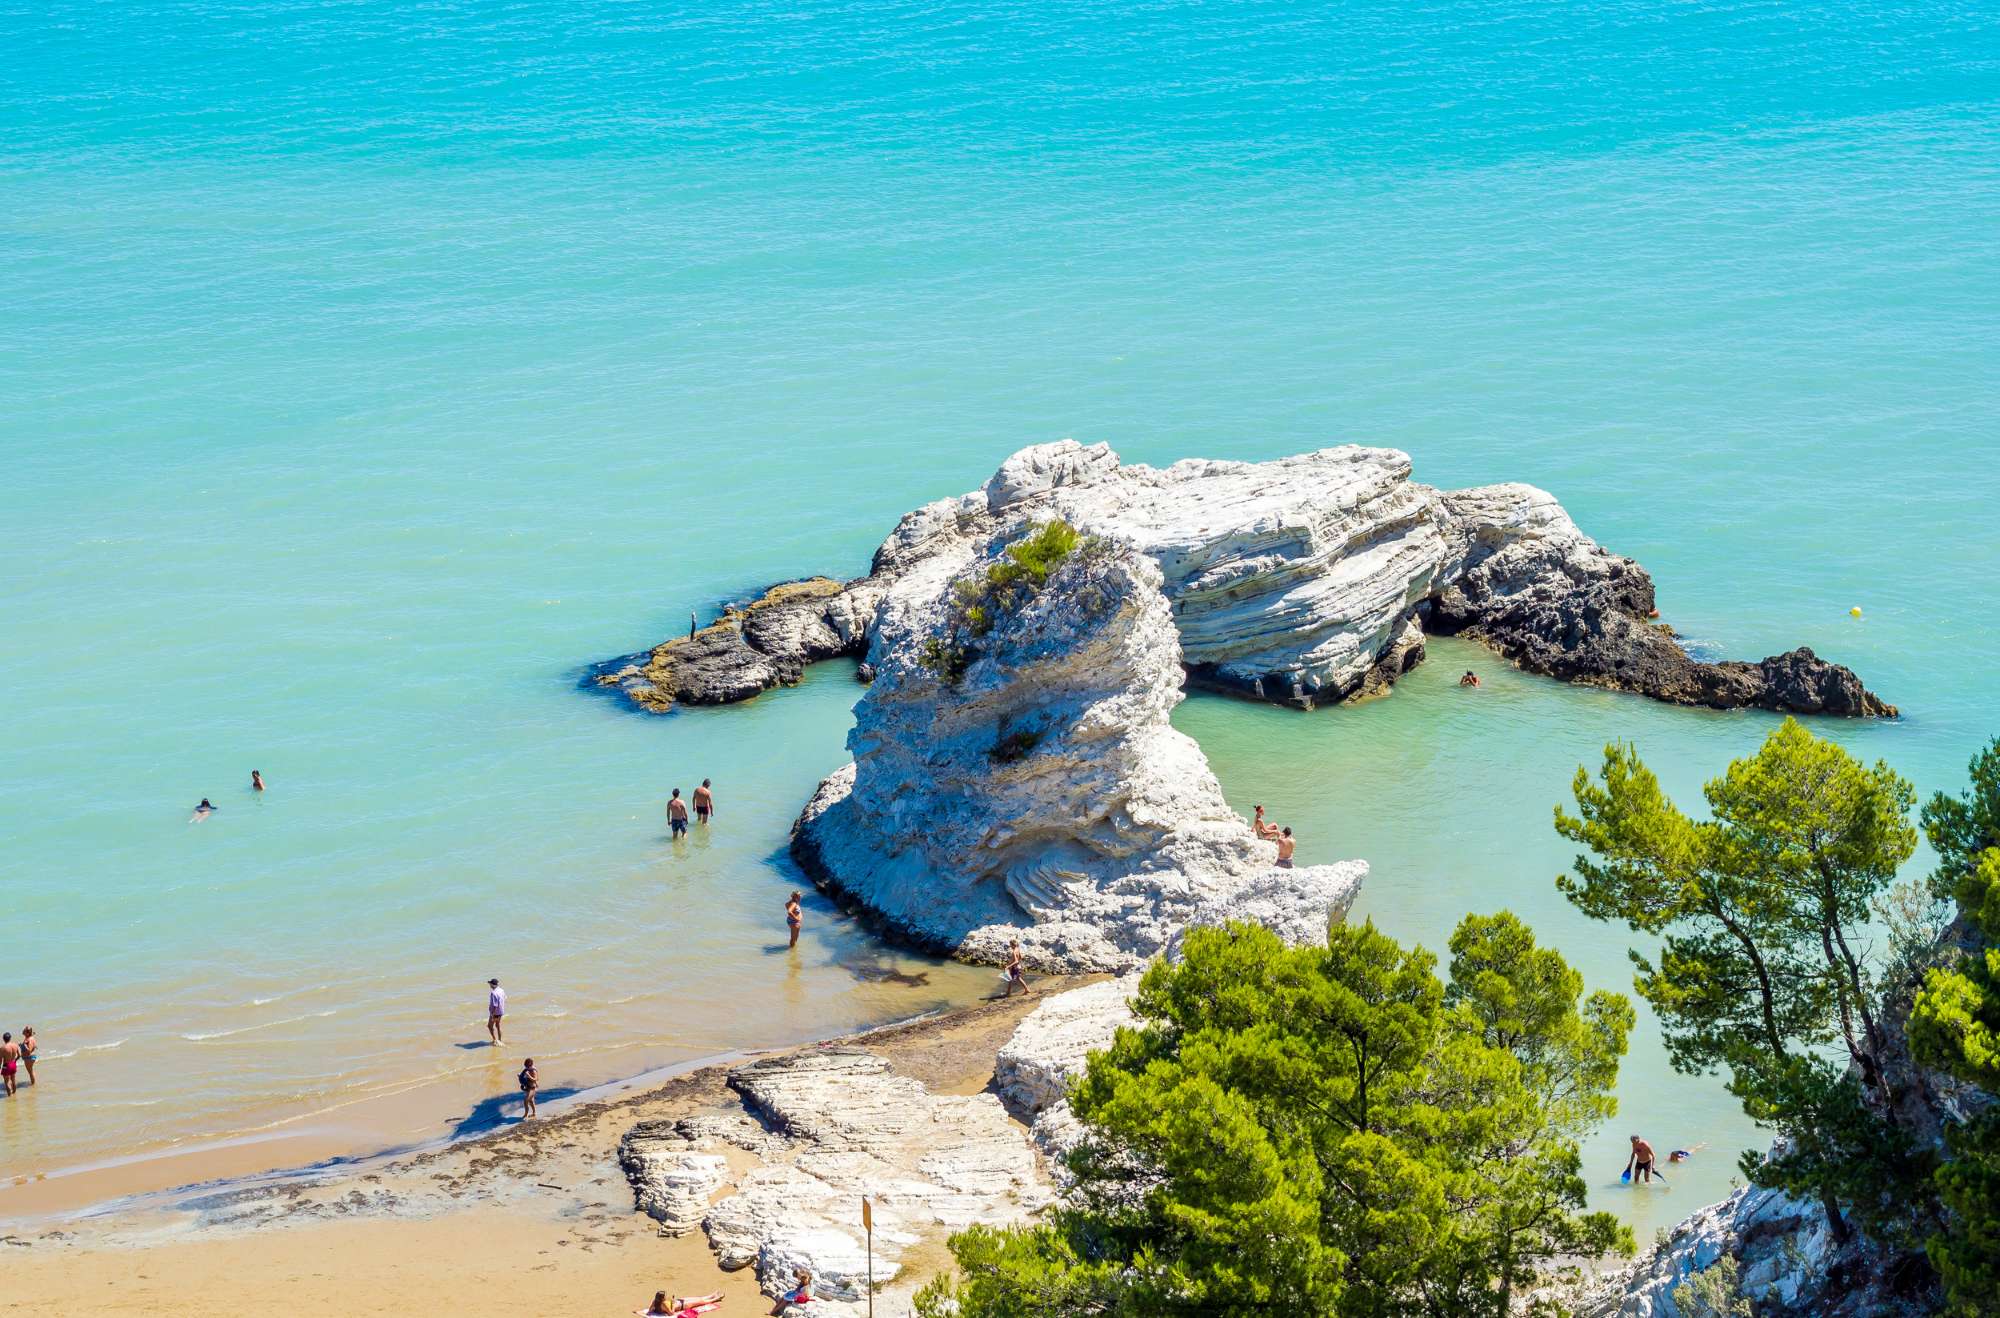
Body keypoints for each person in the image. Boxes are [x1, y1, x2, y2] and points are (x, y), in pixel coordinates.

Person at [487, 978, 506, 1044]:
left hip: (495, 1013)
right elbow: (504, 998)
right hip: (501, 1012)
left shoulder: (493, 993)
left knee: (489, 1026)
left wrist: (492, 1015)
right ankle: (500, 1040)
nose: (490, 985)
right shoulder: (501, 990)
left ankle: (495, 1040)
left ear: (492, 985)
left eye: (490, 984)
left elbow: (495, 1005)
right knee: (498, 1026)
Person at [1, 1032, 18, 1097]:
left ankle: (10, 1096)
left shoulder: (2, 1048)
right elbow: (19, 1055)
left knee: (7, 1082)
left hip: (6, 1065)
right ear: (10, 1038)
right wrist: (14, 1061)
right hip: (13, 1064)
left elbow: (0, 1060)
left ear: (3, 1039)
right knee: (13, 1080)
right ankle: (14, 1093)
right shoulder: (15, 1045)